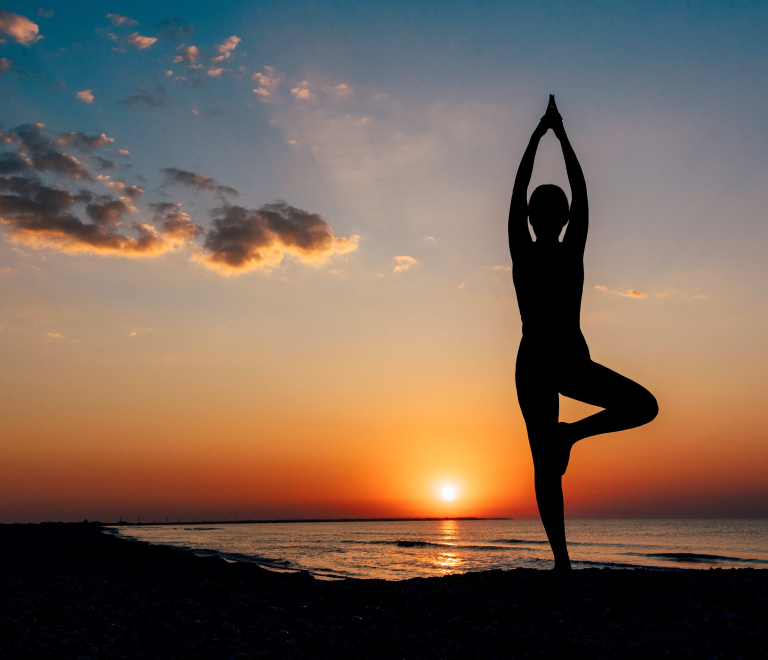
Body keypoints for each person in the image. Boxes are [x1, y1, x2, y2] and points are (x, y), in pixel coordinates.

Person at [509, 96, 658, 571]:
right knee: (642, 407)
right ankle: (563, 560)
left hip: (542, 359)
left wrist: (539, 134)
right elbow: (580, 189)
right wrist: (560, 135)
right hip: (558, 360)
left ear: (536, 219)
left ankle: (563, 561)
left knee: (545, 461)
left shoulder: (527, 251)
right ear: (561, 219)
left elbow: (518, 192)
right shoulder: (560, 250)